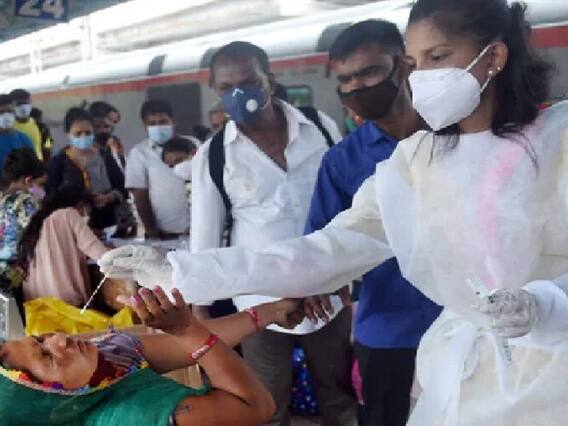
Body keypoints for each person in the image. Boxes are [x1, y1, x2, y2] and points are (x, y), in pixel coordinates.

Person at [101, 0, 568, 424]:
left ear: (494, 57)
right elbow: (322, 252)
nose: (421, 77)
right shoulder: (415, 164)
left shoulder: (559, 141)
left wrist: (546, 305)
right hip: (466, 372)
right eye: (415, 63)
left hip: (553, 372)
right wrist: (179, 271)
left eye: (438, 57)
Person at [189, 41, 356, 426]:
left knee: (338, 396)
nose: (238, 94)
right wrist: (200, 315)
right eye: (226, 87)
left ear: (269, 78)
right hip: (259, 301)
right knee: (266, 403)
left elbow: (347, 202)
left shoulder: (317, 126)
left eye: (248, 82)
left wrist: (350, 275)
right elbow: (205, 237)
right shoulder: (215, 155)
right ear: (215, 90)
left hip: (327, 290)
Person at [303, 20, 442, 426]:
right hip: (387, 329)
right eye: (345, 80)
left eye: (369, 72)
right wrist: (311, 289)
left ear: (403, 65)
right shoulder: (342, 161)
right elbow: (321, 247)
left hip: (468, 320)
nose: (357, 88)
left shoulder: (455, 132)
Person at [0, 286, 307, 425]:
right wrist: (187, 329)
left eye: (40, 338)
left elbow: (180, 347)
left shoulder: (102, 371)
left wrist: (270, 311)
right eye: (47, 357)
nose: (60, 339)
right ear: (50, 402)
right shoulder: (135, 416)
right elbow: (257, 406)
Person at [17, 185, 109, 306]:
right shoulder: (69, 214)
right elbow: (103, 255)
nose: (86, 216)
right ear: (81, 205)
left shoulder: (38, 223)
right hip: (67, 306)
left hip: (38, 309)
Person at [46, 107, 126, 231]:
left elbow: (122, 187)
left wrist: (108, 197)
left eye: (88, 133)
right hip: (73, 228)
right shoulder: (58, 162)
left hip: (108, 225)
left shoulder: (104, 157)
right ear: (68, 134)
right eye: (78, 134)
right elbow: (51, 196)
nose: (83, 137)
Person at [125, 99, 190, 239]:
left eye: (163, 122)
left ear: (173, 121)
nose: (158, 127)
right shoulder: (139, 153)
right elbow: (140, 195)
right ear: (144, 125)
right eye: (152, 123)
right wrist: (151, 229)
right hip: (165, 231)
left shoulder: (193, 144)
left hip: (198, 225)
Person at [0, 148, 46, 294]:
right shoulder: (26, 202)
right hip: (14, 275)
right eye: (41, 184)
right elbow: (39, 236)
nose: (43, 190)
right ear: (28, 181)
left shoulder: (2, 198)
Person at [0, 94, 34, 174]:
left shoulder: (24, 139)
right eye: (1, 112)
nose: (6, 115)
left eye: (9, 111)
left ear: (15, 113)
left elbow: (33, 167)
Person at [9, 89, 43, 161]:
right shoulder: (9, 128)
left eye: (25, 103)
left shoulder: (36, 123)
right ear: (11, 106)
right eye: (19, 104)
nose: (23, 107)